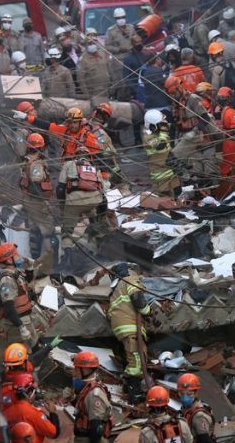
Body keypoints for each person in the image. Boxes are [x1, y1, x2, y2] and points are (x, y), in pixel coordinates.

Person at [105, 262, 151, 401]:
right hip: (131, 327)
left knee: (132, 358)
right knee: (137, 361)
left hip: (120, 329)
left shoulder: (115, 290)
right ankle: (134, 393)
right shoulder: (129, 280)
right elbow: (137, 298)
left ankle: (128, 387)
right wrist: (147, 311)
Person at [56, 147, 105, 261]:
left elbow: (60, 188)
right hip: (94, 201)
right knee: (96, 225)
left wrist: (63, 207)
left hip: (74, 201)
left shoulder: (68, 164)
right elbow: (103, 191)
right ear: (89, 157)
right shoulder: (95, 167)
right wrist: (101, 213)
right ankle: (99, 252)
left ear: (75, 156)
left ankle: (67, 258)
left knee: (67, 231)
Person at [0, 242, 39, 347]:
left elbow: (24, 285)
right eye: (16, 255)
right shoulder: (6, 280)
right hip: (16, 323)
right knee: (25, 351)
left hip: (25, 319)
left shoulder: (15, 273)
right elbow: (8, 308)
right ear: (9, 260)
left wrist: (30, 268)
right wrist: (21, 327)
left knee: (34, 346)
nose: (20, 257)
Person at [14, 106, 103, 159]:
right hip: (68, 168)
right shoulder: (64, 130)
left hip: (81, 169)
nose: (72, 125)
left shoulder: (88, 137)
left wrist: (104, 176)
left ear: (80, 122)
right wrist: (26, 117)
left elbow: (100, 157)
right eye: (70, 122)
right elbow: (47, 125)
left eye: (75, 122)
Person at [19, 133, 55, 255]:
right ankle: (51, 258)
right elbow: (36, 180)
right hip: (37, 201)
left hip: (28, 199)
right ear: (41, 147)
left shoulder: (26, 160)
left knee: (34, 227)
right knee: (47, 230)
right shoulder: (36, 163)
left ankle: (35, 256)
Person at [3, 373, 60, 443]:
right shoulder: (33, 414)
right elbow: (54, 433)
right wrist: (53, 413)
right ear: (30, 393)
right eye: (34, 391)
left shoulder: (7, 411)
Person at [72, 351, 113, 443]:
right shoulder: (87, 388)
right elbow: (83, 410)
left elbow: (97, 427)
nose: (75, 372)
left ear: (86, 370)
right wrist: (72, 399)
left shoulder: (95, 394)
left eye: (77, 369)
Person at [143, 110, 180, 195]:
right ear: (153, 125)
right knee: (165, 197)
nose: (163, 125)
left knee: (178, 191)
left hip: (170, 170)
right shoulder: (147, 137)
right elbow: (160, 146)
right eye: (160, 123)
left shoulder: (158, 132)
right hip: (160, 175)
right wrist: (164, 131)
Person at [105, 8, 136, 98]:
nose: (121, 19)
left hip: (131, 58)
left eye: (122, 17)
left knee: (131, 81)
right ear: (115, 19)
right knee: (121, 84)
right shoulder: (111, 31)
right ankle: (121, 99)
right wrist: (119, 49)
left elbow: (136, 40)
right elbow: (107, 46)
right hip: (119, 61)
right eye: (118, 18)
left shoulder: (131, 28)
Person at [87, 103, 121, 182]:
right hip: (98, 167)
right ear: (105, 117)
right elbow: (109, 154)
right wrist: (117, 173)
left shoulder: (85, 125)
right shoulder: (100, 133)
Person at [178, 373, 215, 443]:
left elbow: (204, 440)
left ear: (196, 393)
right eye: (182, 393)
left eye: (189, 394)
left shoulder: (199, 416)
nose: (185, 397)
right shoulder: (185, 408)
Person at [78, 31, 111, 99]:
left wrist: (112, 87)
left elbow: (110, 70)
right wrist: (87, 95)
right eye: (90, 43)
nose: (92, 45)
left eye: (94, 42)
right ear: (86, 44)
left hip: (106, 91)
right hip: (93, 93)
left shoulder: (103, 53)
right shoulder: (83, 59)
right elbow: (80, 79)